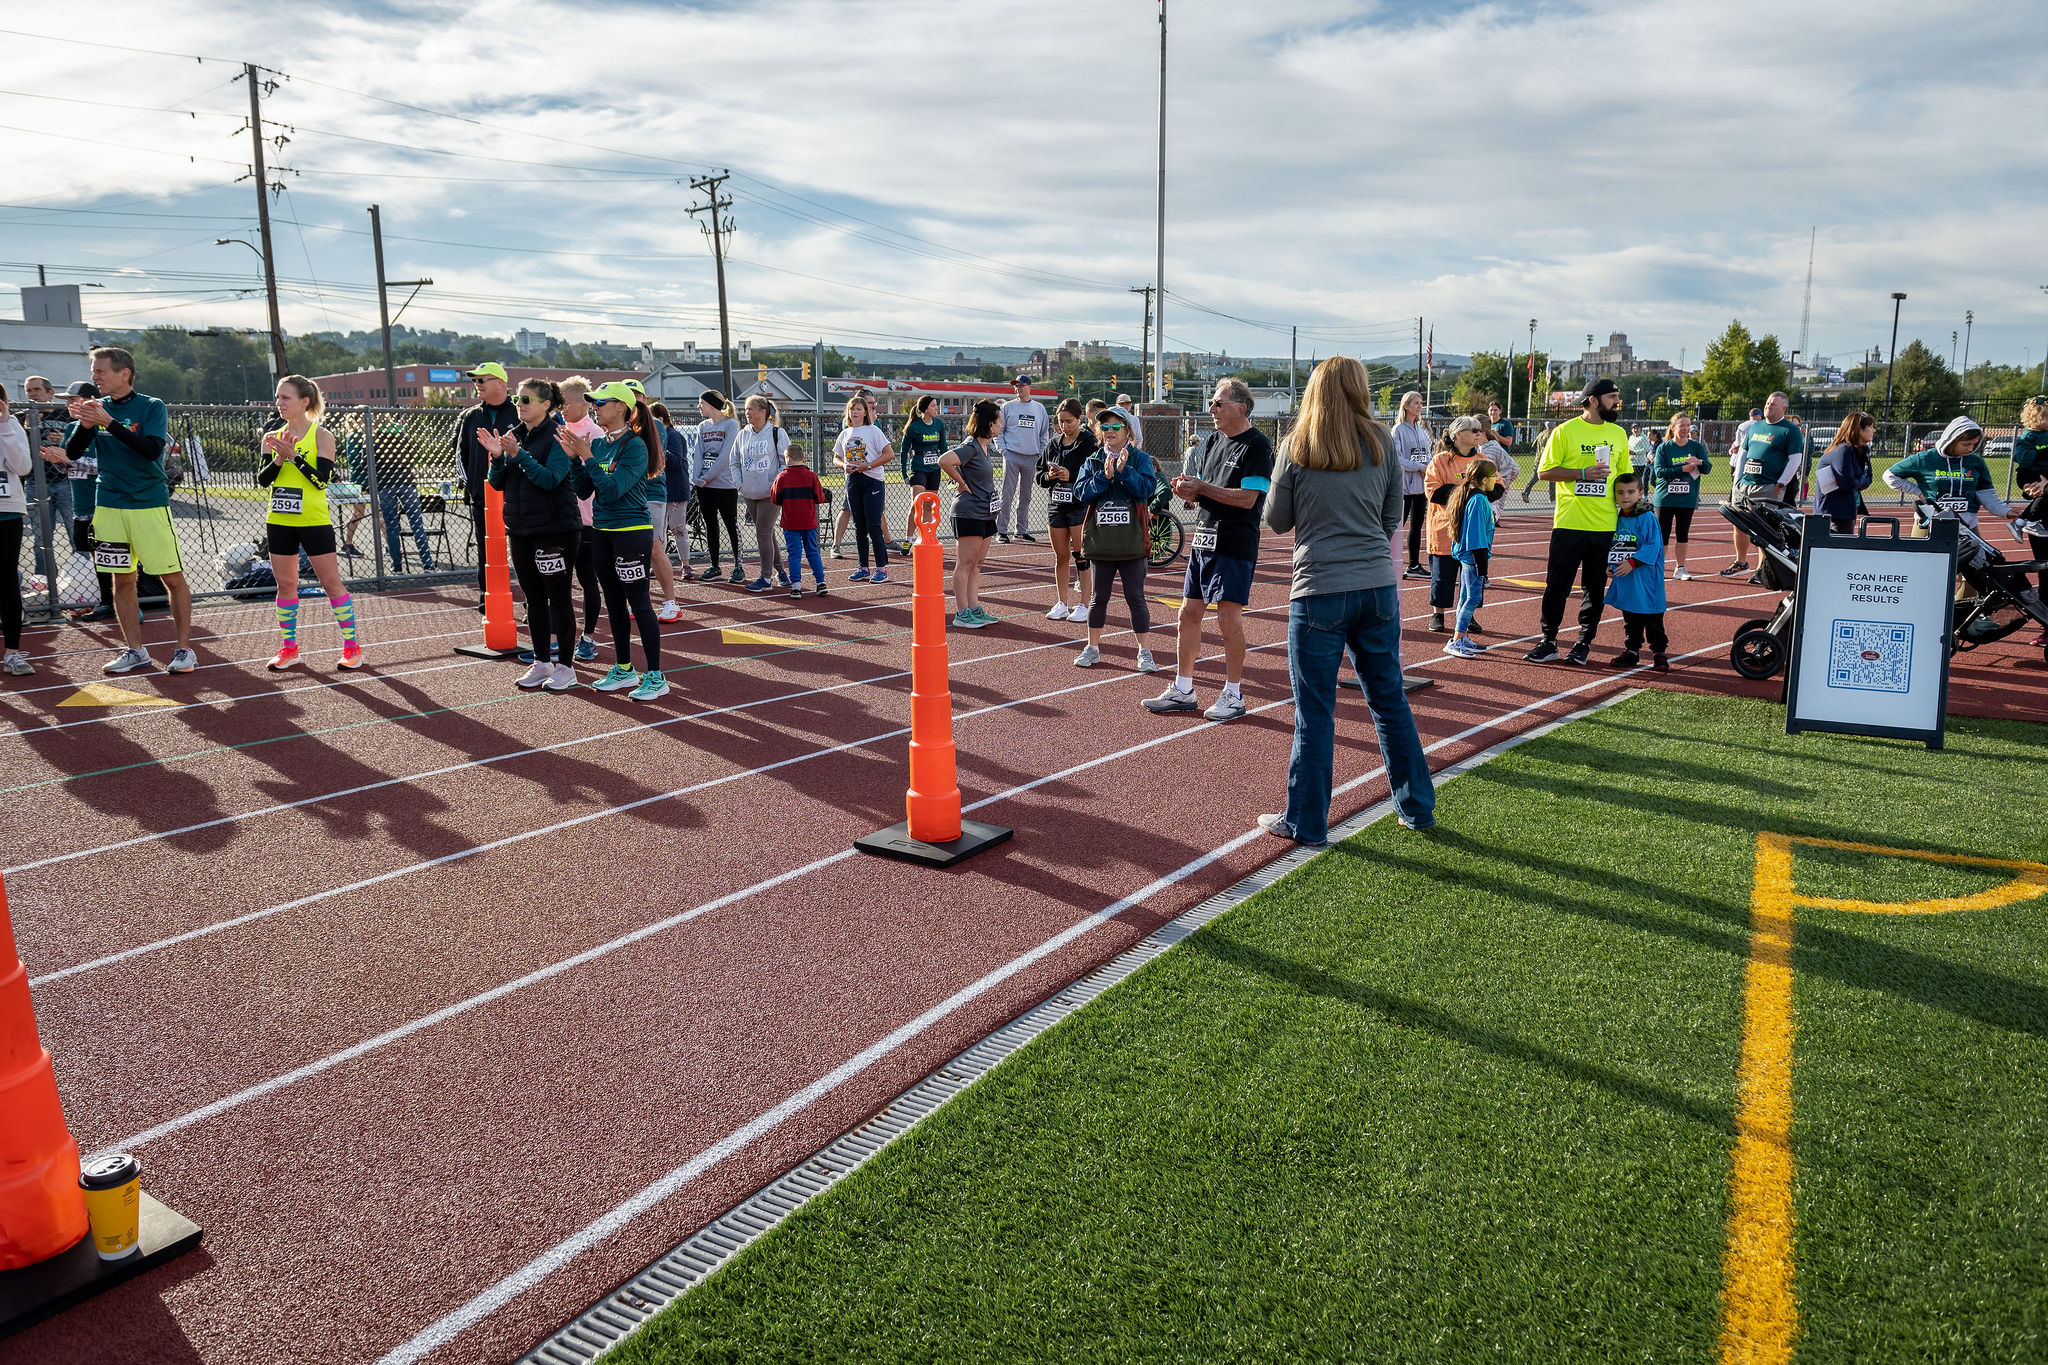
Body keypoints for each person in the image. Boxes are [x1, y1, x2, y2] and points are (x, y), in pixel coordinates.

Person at [1258, 356, 1433, 844]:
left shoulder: (1297, 444)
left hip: (1319, 589)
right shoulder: (1381, 441)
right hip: (1376, 587)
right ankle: (1416, 808)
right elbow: (1391, 518)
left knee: (1315, 711)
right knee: (1390, 700)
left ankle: (1306, 821)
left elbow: (1276, 520)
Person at [1145, 378, 1273, 721]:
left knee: (1227, 619)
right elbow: (1212, 490)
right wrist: (1192, 491)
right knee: (1187, 613)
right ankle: (1183, 689)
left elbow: (1248, 499)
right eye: (1212, 403)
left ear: (1240, 409)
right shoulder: (1214, 440)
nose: (1211, 409)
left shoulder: (1258, 445)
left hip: (1234, 542)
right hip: (1204, 538)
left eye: (1218, 403)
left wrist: (1202, 488)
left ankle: (1234, 694)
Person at [60, 348, 195, 674]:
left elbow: (150, 450)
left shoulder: (151, 406)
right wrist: (85, 424)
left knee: (171, 578)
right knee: (121, 580)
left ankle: (184, 650)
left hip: (148, 505)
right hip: (109, 506)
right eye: (93, 371)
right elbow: (73, 453)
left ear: (124, 374)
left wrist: (108, 422)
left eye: (100, 371)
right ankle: (136, 651)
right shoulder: (98, 407)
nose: (94, 377)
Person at [563, 380, 668, 701]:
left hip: (631, 533)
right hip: (602, 533)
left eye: (601, 402)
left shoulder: (635, 446)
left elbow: (612, 490)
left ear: (621, 407)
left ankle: (656, 676)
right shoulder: (598, 444)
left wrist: (588, 458)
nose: (595, 407)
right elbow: (584, 491)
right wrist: (575, 459)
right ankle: (624, 669)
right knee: (614, 602)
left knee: (640, 603)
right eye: (593, 402)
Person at [1524, 376, 1634, 665]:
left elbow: (1625, 476)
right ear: (1593, 400)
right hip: (1569, 523)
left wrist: (1633, 506)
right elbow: (1545, 472)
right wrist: (1582, 474)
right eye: (1612, 397)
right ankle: (1549, 641)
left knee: (1594, 588)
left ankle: (1584, 643)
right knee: (1557, 585)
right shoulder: (1564, 431)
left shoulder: (1618, 434)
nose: (1618, 402)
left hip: (1604, 525)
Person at [257, 375, 362, 671]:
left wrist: (294, 457)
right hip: (279, 520)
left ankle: (352, 647)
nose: (279, 403)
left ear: (304, 401)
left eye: (285, 398)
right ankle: (290, 648)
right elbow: (263, 480)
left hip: (313, 521)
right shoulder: (271, 437)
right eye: (277, 397)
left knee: (331, 583)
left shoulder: (321, 436)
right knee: (286, 584)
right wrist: (279, 459)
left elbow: (321, 481)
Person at [484, 378, 580, 691]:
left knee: (558, 598)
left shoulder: (558, 436)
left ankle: (566, 666)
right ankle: (541, 662)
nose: (519, 404)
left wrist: (519, 455)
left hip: (555, 530)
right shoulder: (514, 435)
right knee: (533, 599)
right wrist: (498, 458)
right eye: (517, 398)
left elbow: (551, 479)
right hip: (520, 529)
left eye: (526, 399)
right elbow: (497, 483)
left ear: (546, 404)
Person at [1068, 406, 1158, 672]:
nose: (1109, 431)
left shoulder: (1140, 459)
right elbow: (1081, 493)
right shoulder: (1093, 460)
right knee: (1099, 597)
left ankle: (1144, 652)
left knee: (1136, 597)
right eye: (1104, 426)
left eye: (1115, 426)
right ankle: (1092, 648)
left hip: (1132, 540)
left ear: (1127, 431)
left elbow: (1147, 489)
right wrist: (1105, 477)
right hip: (1102, 542)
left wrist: (1125, 472)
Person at [454, 362, 520, 609]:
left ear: (500, 383)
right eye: (475, 381)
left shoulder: (519, 413)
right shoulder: (470, 416)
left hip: (516, 496)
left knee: (520, 549)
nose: (477, 385)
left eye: (481, 380)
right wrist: (471, 486)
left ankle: (529, 600)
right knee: (486, 549)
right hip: (483, 498)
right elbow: (460, 454)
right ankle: (488, 596)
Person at [1881, 415, 2010, 532]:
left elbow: (1987, 494)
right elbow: (1890, 476)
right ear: (1952, 440)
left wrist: (2006, 511)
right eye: (1966, 444)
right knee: (1921, 552)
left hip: (1968, 526)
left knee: (1976, 552)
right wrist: (1919, 492)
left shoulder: (1976, 462)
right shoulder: (1924, 459)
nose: (1971, 448)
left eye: (1974, 444)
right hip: (1928, 523)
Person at [1422, 415, 1491, 633]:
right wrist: (1469, 490)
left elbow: (1495, 488)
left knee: (1472, 576)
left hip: (1473, 532)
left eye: (1480, 430)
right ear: (1458, 434)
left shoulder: (1483, 460)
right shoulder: (1440, 461)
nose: (1479, 433)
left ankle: (1468, 616)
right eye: (1474, 430)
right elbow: (1434, 492)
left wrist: (1461, 490)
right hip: (1445, 530)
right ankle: (1438, 614)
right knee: (1442, 576)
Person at [1723, 392, 1802, 578]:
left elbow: (1795, 459)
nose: (1768, 407)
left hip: (1768, 485)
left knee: (1764, 528)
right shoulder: (1756, 426)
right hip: (1745, 484)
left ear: (1784, 408)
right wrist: (1737, 479)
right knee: (1739, 523)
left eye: (1773, 404)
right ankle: (1741, 562)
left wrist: (1781, 483)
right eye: (1767, 403)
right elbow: (1743, 453)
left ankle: (1761, 570)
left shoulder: (1790, 430)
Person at [939, 398, 1000, 627]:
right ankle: (961, 613)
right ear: (989, 424)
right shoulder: (971, 446)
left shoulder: (984, 446)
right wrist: (961, 482)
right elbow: (944, 460)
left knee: (977, 563)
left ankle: (974, 608)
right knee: (965, 562)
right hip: (968, 511)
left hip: (986, 511)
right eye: (998, 422)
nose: (1001, 426)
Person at [557, 378, 604, 662]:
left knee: (587, 579)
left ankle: (587, 637)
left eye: (564, 403)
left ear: (580, 403)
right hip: (557, 519)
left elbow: (596, 479)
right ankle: (559, 638)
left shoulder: (595, 433)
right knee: (557, 582)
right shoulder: (556, 429)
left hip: (586, 521)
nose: (560, 408)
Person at [1038, 397, 1097, 621]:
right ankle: (1062, 603)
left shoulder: (1088, 442)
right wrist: (1049, 475)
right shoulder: (1053, 444)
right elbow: (1039, 475)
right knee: (1060, 557)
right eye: (1061, 421)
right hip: (1056, 506)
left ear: (1079, 419)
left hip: (1079, 506)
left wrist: (1070, 475)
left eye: (1069, 421)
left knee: (1081, 556)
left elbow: (1094, 473)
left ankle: (1085, 604)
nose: (1064, 426)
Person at [1604, 472, 1668, 671]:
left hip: (1646, 578)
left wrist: (1632, 562)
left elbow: (1653, 545)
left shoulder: (1646, 517)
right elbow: (1617, 544)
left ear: (1640, 493)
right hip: (1627, 579)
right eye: (1620, 492)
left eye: (1631, 492)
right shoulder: (1617, 518)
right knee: (1631, 617)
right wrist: (1611, 564)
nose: (1625, 496)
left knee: (1652, 616)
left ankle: (1659, 653)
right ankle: (1632, 651)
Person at [833, 390, 894, 583]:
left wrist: (868, 465)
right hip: (853, 481)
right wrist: (844, 466)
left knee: (873, 525)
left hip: (872, 480)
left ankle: (881, 568)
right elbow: (836, 457)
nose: (855, 412)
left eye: (859, 409)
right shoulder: (845, 433)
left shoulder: (873, 431)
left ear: (865, 412)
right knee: (859, 526)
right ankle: (863, 566)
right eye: (852, 409)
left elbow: (889, 454)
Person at [1442, 459, 1499, 660]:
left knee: (1465, 597)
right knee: (1472, 598)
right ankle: (1456, 641)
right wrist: (1481, 564)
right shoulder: (1478, 500)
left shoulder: (1476, 497)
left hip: (1470, 556)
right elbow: (1476, 535)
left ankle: (1461, 637)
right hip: (1473, 557)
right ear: (1484, 480)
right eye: (1494, 476)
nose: (1496, 479)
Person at [733, 395, 792, 593]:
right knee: (767, 532)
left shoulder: (777, 433)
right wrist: (740, 485)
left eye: (751, 409)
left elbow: (786, 462)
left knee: (763, 532)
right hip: (750, 493)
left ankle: (766, 578)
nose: (747, 413)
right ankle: (781, 572)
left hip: (770, 494)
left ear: (763, 411)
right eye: (746, 409)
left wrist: (774, 484)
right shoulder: (743, 434)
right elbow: (734, 461)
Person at [1651, 411, 1712, 579]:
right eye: (1682, 425)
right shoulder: (1664, 448)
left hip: (1686, 498)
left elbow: (1707, 468)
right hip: (1665, 499)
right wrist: (1682, 469)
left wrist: (1699, 462)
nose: (1686, 429)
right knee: (1662, 534)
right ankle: (1658, 568)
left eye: (1688, 425)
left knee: (1682, 533)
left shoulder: (1696, 447)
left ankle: (1681, 568)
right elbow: (1659, 471)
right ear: (1673, 428)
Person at [692, 390, 744, 584]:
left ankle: (738, 566)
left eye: (701, 403)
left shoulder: (731, 424)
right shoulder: (703, 426)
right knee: (710, 525)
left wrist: (707, 477)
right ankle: (715, 566)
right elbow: (698, 453)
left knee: (730, 524)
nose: (699, 407)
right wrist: (697, 478)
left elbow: (726, 456)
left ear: (711, 404)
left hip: (724, 485)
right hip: (704, 486)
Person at [641, 400, 684, 621]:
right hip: (627, 496)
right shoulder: (613, 428)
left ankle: (671, 603)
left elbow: (656, 461)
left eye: (637, 395)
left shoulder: (655, 425)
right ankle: (637, 601)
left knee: (655, 548)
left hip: (651, 494)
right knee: (630, 553)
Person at [0, 384, 31, 674]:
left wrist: (4, 426)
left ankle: (12, 652)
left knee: (7, 580)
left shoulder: (10, 425)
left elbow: (22, 467)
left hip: (7, 512)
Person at [996, 374, 1048, 543]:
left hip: (1032, 457)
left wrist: (1040, 453)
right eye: (1016, 386)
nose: (1018, 388)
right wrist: (1003, 450)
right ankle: (1001, 531)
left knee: (1026, 496)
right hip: (1012, 455)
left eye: (1022, 385)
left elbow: (1044, 433)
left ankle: (1021, 530)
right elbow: (999, 431)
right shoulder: (1007, 407)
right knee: (1007, 494)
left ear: (1029, 387)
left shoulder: (1039, 408)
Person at [2012, 398, 2048, 639]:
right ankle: (2046, 626)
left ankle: (2022, 521)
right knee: (2046, 571)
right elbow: (2024, 462)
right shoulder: (2029, 437)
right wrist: (2038, 485)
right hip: (2044, 520)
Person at [772, 441, 827, 598]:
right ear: (803, 458)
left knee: (794, 555)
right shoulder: (811, 476)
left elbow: (775, 499)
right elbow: (820, 498)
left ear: (788, 458)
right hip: (809, 521)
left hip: (790, 523)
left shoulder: (782, 477)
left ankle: (796, 587)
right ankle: (821, 583)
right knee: (812, 551)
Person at [1814, 412, 1875, 536]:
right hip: (1834, 512)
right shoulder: (1842, 450)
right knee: (1838, 545)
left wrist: (1858, 480)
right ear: (1858, 429)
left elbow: (1869, 478)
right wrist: (1860, 479)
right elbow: (1847, 484)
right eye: (1870, 427)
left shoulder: (1862, 450)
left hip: (1848, 509)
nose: (1874, 430)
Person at [1391, 390, 1431, 577]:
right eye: (1416, 403)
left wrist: (1427, 467)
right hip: (1404, 487)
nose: (1419, 406)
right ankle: (1391, 565)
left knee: (1416, 526)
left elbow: (1426, 454)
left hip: (1420, 485)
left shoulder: (1421, 429)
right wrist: (1420, 467)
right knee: (1397, 526)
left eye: (1421, 403)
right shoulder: (1398, 429)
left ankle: (1414, 565)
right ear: (1405, 406)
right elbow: (1398, 459)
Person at [659, 403, 694, 606]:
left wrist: (658, 449)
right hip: (660, 491)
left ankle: (685, 564)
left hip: (676, 490)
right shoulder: (657, 436)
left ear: (660, 419)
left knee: (677, 528)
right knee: (659, 530)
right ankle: (659, 563)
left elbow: (675, 461)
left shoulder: (673, 436)